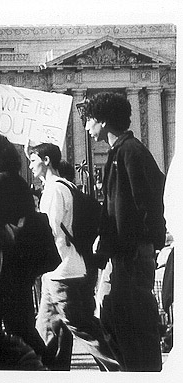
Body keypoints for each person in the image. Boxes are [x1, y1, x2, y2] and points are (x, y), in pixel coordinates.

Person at [82, 92, 166, 371]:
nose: (86, 127)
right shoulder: (122, 152)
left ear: (103, 121)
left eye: (89, 120)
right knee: (116, 319)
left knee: (135, 325)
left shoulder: (130, 152)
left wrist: (149, 245)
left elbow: (149, 202)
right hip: (123, 254)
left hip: (131, 254)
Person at [28, 142, 119, 371]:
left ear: (46, 160)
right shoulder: (68, 186)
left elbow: (51, 231)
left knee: (83, 328)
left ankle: (119, 370)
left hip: (62, 270)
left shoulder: (53, 190)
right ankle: (50, 372)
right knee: (48, 329)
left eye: (32, 160)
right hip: (65, 268)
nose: (30, 166)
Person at [0, 133, 48, 362]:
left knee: (3, 323)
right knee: (20, 323)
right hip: (17, 263)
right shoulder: (18, 181)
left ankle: (45, 362)